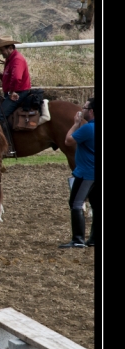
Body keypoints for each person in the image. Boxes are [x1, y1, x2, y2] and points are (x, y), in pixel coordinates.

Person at [59, 97, 98, 248]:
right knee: (96, 205)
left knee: (75, 203)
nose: (82, 110)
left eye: (85, 108)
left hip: (86, 173)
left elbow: (68, 141)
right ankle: (94, 239)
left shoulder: (88, 128)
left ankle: (78, 239)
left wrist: (75, 124)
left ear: (92, 111)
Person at [0, 35, 32, 155]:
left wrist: (13, 92)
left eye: (1, 50)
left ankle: (7, 147)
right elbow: (12, 77)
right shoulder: (11, 59)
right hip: (15, 91)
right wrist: (1, 76)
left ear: (9, 48)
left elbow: (17, 78)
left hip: (19, 92)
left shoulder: (17, 60)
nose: (0, 53)